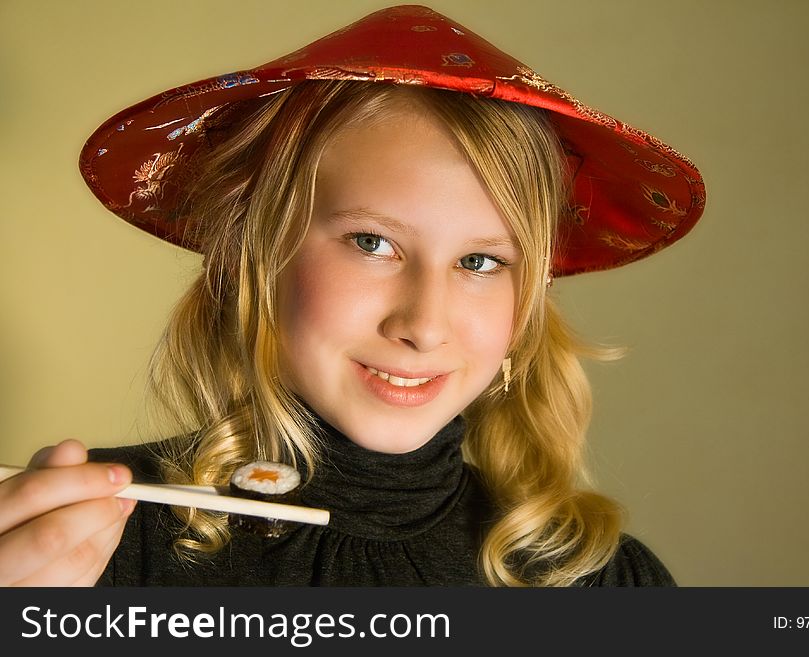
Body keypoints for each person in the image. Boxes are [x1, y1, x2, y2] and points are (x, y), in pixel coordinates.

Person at [0, 5, 705, 586]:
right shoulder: (94, 542)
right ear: (259, 254)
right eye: (373, 243)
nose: (424, 325)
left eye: (481, 260)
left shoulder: (606, 584)